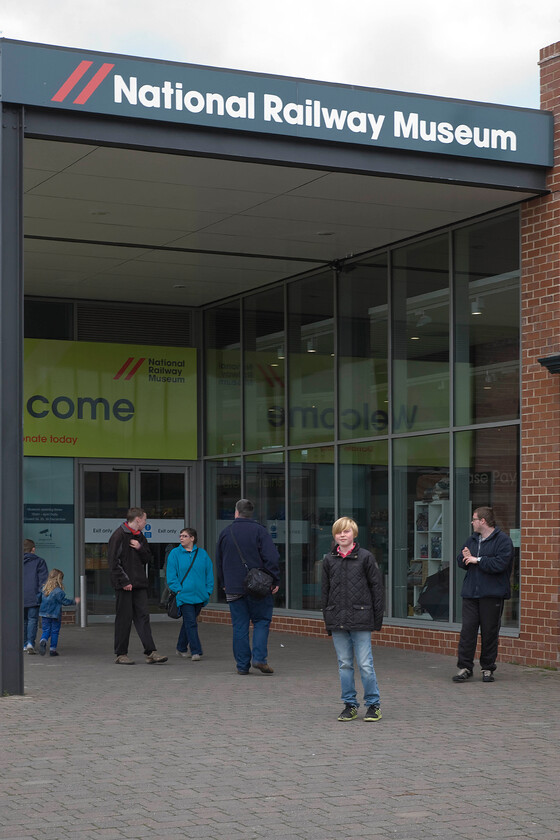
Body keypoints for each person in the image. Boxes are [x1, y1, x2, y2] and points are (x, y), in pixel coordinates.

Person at [321, 517, 384, 722]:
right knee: (344, 664)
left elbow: (377, 589)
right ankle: (350, 704)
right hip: (338, 619)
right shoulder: (329, 560)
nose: (342, 535)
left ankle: (373, 705)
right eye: (339, 532)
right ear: (334, 535)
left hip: (362, 618)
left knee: (365, 664)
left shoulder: (365, 557)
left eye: (346, 531)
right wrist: (328, 619)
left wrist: (377, 619)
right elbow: (325, 592)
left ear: (354, 534)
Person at [216, 499, 280, 675]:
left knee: (239, 625)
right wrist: (275, 580)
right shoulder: (260, 531)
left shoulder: (226, 532)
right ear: (251, 513)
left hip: (233, 587)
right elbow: (272, 557)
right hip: (258, 587)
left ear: (236, 512)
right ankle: (259, 658)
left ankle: (242, 665)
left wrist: (224, 583)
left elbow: (219, 561)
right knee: (261, 621)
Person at [453, 506, 514, 684]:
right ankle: (465, 667)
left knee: (489, 633)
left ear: (483, 521)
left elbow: (500, 564)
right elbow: (461, 562)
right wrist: (464, 557)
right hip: (471, 594)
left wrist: (477, 560)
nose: (472, 522)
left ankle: (487, 668)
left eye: (474, 519)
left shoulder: (503, 541)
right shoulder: (472, 539)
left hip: (492, 594)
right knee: (467, 632)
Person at [107, 507, 168, 665]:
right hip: (125, 585)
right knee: (124, 619)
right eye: (145, 519)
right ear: (138, 519)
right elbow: (113, 562)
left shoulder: (140, 537)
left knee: (143, 617)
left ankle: (151, 652)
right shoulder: (118, 536)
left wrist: (140, 548)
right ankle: (121, 654)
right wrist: (124, 581)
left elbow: (147, 558)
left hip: (139, 584)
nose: (146, 523)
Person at [166, 528, 214, 661]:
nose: (181, 538)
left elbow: (209, 573)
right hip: (184, 595)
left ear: (192, 538)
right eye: (180, 536)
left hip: (200, 595)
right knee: (192, 622)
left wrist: (208, 591)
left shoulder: (202, 554)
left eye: (185, 536)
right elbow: (171, 574)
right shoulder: (175, 554)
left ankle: (181, 647)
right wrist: (178, 589)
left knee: (188, 622)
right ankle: (196, 651)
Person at [38, 569, 80, 657]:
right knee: (54, 631)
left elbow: (38, 599)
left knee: (46, 630)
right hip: (55, 614)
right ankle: (52, 650)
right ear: (59, 579)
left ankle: (43, 640)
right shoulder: (59, 591)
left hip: (44, 613)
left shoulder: (43, 589)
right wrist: (74, 602)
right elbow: (64, 601)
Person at [23, 539, 48, 654]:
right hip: (33, 596)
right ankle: (30, 643)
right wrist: (40, 595)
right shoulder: (40, 562)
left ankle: (23, 643)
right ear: (33, 549)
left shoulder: (14, 561)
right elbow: (43, 581)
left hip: (19, 597)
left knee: (22, 621)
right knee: (32, 620)